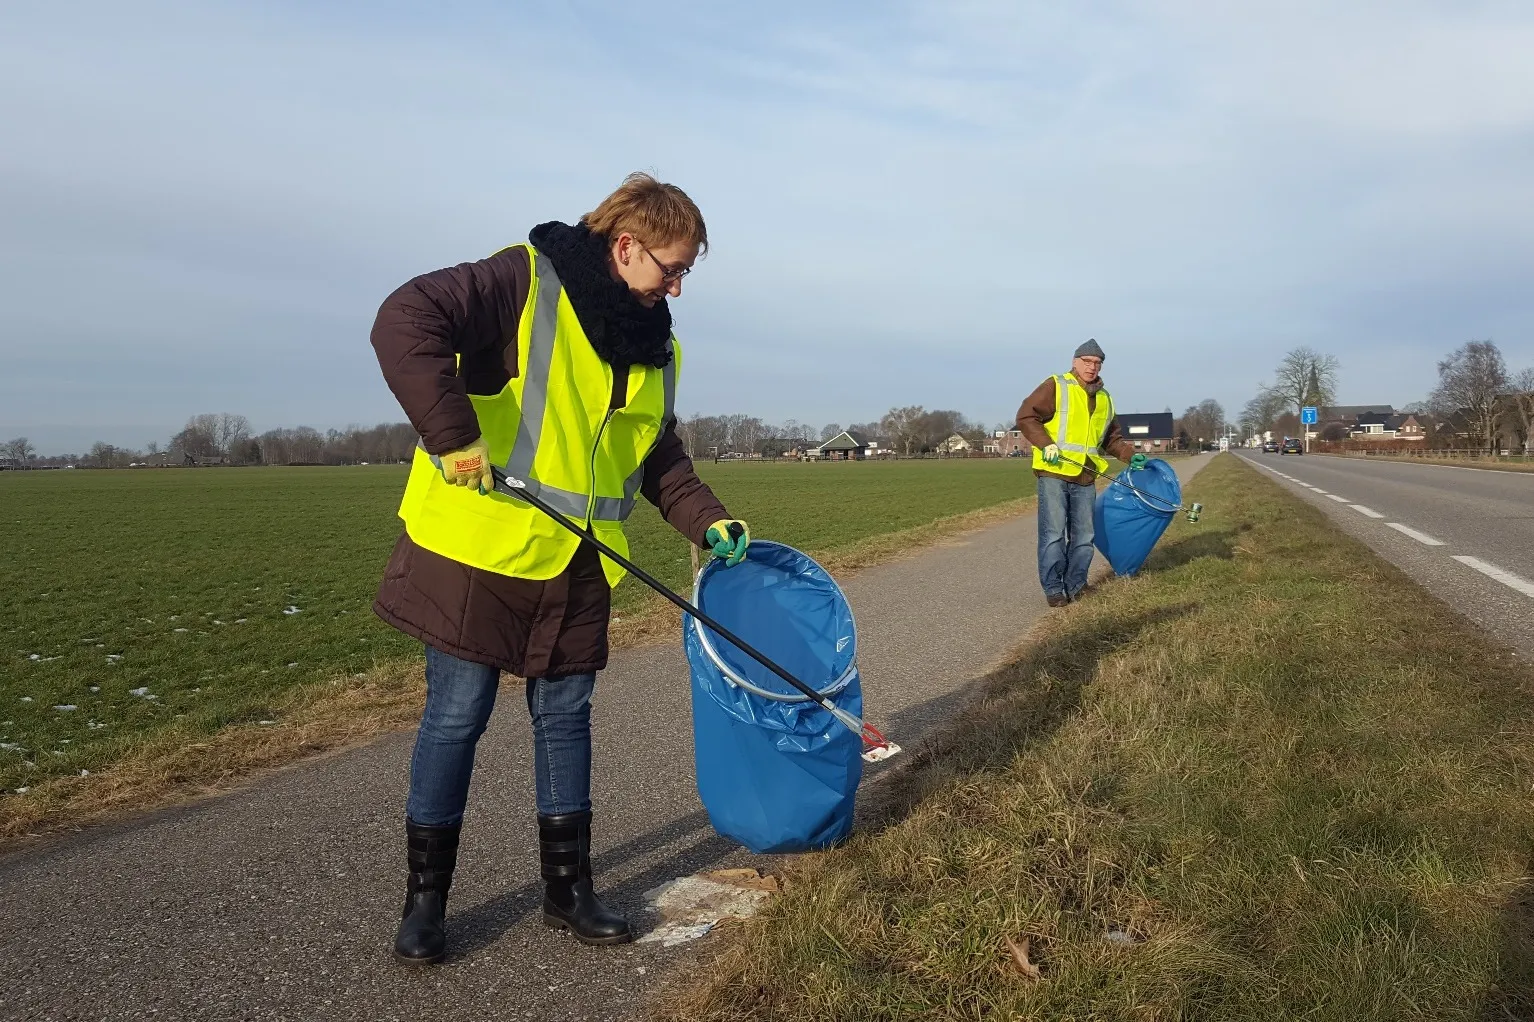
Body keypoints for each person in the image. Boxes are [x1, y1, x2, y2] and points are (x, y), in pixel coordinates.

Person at [368, 173, 751, 963]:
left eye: (687, 273)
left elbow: (656, 455)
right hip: (477, 552)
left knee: (566, 721)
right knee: (455, 718)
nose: (679, 286)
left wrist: (708, 521)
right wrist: (450, 432)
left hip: (578, 564)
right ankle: (425, 904)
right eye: (671, 268)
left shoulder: (657, 345)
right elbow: (404, 318)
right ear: (625, 246)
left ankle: (568, 892)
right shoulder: (523, 280)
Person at [1016, 339, 1145, 607]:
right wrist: (1045, 444)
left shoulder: (1105, 398)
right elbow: (1027, 417)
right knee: (1053, 534)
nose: (1092, 367)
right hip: (1053, 471)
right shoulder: (1056, 385)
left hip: (1086, 475)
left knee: (1084, 536)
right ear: (1075, 362)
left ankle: (1076, 585)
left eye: (1097, 363)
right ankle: (1053, 589)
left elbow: (1111, 438)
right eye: (1087, 362)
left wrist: (1131, 456)